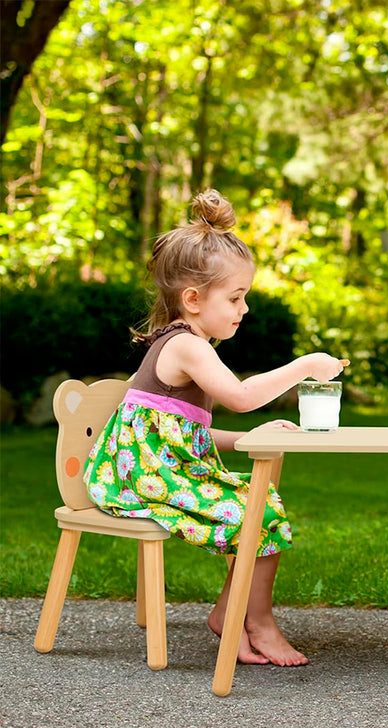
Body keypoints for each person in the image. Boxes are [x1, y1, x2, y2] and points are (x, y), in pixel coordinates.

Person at [84, 188, 347, 667]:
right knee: (259, 514)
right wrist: (305, 364)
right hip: (139, 480)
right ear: (193, 299)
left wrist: (251, 438)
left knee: (259, 503)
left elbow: (181, 433)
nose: (244, 309)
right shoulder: (187, 346)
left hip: (155, 469)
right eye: (236, 297)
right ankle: (256, 622)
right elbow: (242, 398)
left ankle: (231, 613)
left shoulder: (190, 343)